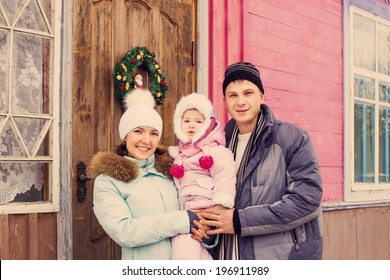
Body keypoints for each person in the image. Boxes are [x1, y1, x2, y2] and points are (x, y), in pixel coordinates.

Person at [200, 62, 323, 260]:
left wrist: (240, 221)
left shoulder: (292, 139)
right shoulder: (219, 144)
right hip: (227, 255)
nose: (240, 102)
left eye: (248, 93)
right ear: (224, 100)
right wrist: (206, 228)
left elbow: (306, 200)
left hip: (280, 257)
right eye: (233, 95)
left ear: (261, 96)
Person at [88, 89, 202, 260]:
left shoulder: (173, 171)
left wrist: (206, 234)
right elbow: (125, 232)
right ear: (125, 136)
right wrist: (183, 221)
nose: (146, 141)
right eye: (138, 131)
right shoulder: (108, 181)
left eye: (154, 133)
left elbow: (196, 207)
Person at [168, 93, 236, 260]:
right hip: (188, 214)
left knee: (184, 247)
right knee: (191, 249)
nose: (192, 125)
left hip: (206, 210)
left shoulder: (216, 151)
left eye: (199, 121)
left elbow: (224, 176)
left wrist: (219, 209)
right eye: (187, 121)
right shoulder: (180, 155)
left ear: (208, 125)